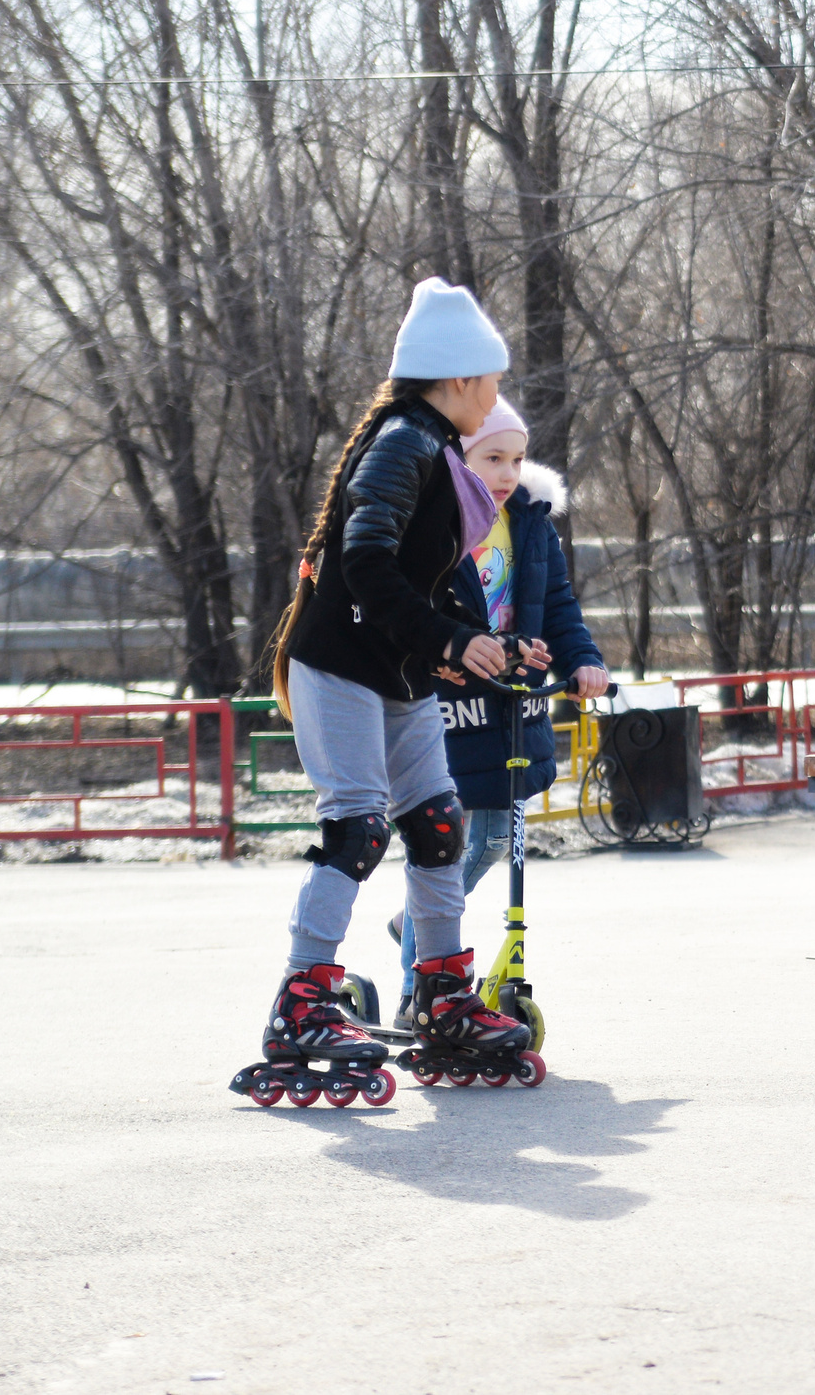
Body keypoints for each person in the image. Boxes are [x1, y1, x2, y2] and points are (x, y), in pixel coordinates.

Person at [255, 279, 540, 1079]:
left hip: (400, 672)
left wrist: (482, 644)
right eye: (490, 379)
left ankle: (442, 992)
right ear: (456, 380)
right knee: (358, 827)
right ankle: (301, 1001)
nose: (495, 394)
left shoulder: (435, 446)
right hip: (341, 663)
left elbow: (429, 579)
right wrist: (449, 636)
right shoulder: (402, 443)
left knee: (438, 823)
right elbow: (367, 562)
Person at [385, 397, 611, 1020]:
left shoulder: (531, 523)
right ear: (456, 457)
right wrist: (443, 654)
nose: (509, 472)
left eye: (517, 457)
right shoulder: (433, 525)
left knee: (486, 841)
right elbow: (413, 610)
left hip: (514, 704)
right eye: (492, 457)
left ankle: (416, 925)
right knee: (461, 838)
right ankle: (420, 970)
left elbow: (559, 607)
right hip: (452, 703)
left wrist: (583, 662)